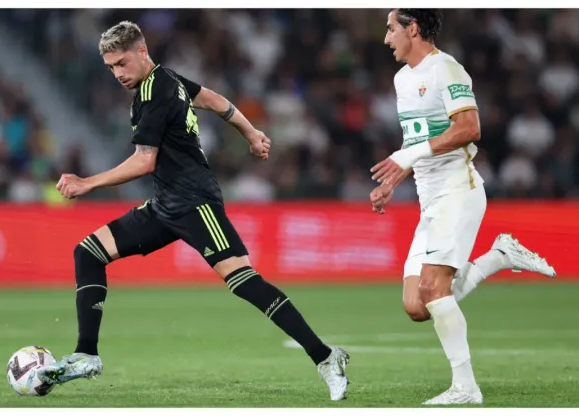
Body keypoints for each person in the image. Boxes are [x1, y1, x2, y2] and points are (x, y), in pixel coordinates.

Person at [37, 21, 350, 401]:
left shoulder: (156, 92)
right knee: (88, 252)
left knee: (243, 281)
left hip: (196, 203)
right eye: (110, 67)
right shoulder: (168, 79)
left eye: (121, 63)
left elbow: (143, 161)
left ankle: (326, 356)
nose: (117, 73)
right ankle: (87, 354)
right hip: (165, 204)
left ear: (141, 51)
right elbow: (216, 101)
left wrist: (88, 183)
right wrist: (250, 133)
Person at [369, 9, 556, 405]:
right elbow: (417, 140)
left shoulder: (447, 70)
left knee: (434, 290)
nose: (387, 39)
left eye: (391, 29)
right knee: (416, 306)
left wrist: (409, 155)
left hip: (459, 191)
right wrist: (394, 177)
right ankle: (498, 256)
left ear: (412, 29)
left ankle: (465, 387)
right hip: (429, 200)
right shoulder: (403, 79)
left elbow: (470, 129)